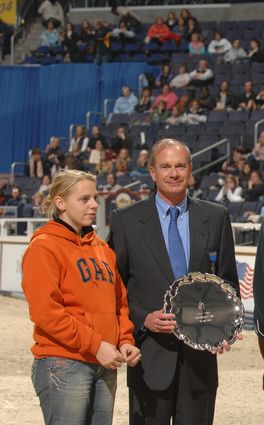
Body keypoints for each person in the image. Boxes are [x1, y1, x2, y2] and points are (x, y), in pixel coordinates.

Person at [107, 139, 239, 424]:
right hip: (149, 357)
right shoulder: (125, 220)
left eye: (180, 166)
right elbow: (114, 291)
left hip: (200, 362)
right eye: (165, 166)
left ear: (190, 170)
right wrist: (143, 319)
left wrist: (224, 326)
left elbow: (227, 283)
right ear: (152, 172)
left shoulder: (216, 217)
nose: (174, 173)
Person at [22, 170, 141, 425]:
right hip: (63, 362)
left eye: (95, 197)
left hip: (105, 361)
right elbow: (47, 313)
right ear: (60, 203)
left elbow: (118, 302)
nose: (94, 204)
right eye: (84, 198)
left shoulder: (102, 249)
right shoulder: (44, 247)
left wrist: (125, 340)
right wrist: (96, 345)